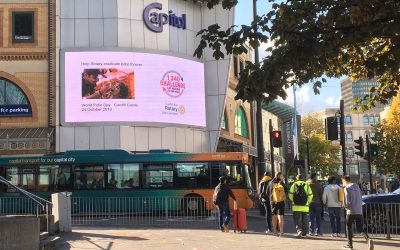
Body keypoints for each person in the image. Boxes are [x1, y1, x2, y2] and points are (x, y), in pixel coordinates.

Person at [341, 175, 374, 250]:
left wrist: (345, 207)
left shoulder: (347, 188)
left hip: (351, 211)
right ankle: (368, 239)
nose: (342, 183)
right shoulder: (357, 187)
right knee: (360, 228)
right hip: (359, 211)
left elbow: (346, 201)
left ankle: (350, 245)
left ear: (344, 180)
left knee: (348, 227)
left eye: (342, 182)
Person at [289, 174, 313, 238]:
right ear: (303, 178)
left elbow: (290, 195)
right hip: (305, 206)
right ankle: (304, 233)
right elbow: (310, 195)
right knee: (304, 220)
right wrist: (308, 202)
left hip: (296, 206)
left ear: (297, 179)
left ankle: (299, 230)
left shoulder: (294, 185)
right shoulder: (307, 185)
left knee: (297, 220)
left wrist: (293, 201)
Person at [266, 172, 287, 236]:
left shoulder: (270, 183)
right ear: (279, 176)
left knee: (274, 215)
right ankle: (281, 232)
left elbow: (267, 192)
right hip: (281, 201)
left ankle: (275, 231)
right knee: (280, 216)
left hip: (273, 201)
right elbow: (286, 191)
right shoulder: (281, 183)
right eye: (282, 176)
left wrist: (271, 197)